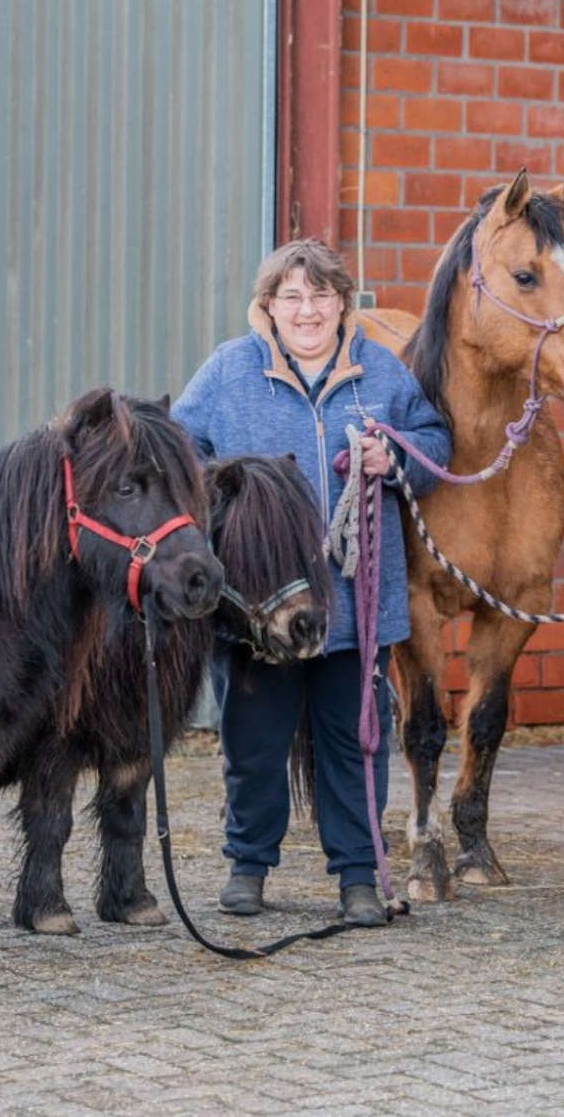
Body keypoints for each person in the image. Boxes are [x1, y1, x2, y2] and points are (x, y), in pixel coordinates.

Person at [172, 238, 451, 927]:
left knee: (354, 740)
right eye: (292, 296)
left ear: (341, 304)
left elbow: (434, 440)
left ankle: (359, 876)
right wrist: (223, 496)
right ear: (269, 305)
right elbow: (180, 453)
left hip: (355, 604)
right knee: (255, 742)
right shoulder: (229, 371)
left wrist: (395, 456)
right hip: (257, 609)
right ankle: (248, 866)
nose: (308, 310)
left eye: (321, 296)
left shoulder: (379, 373)